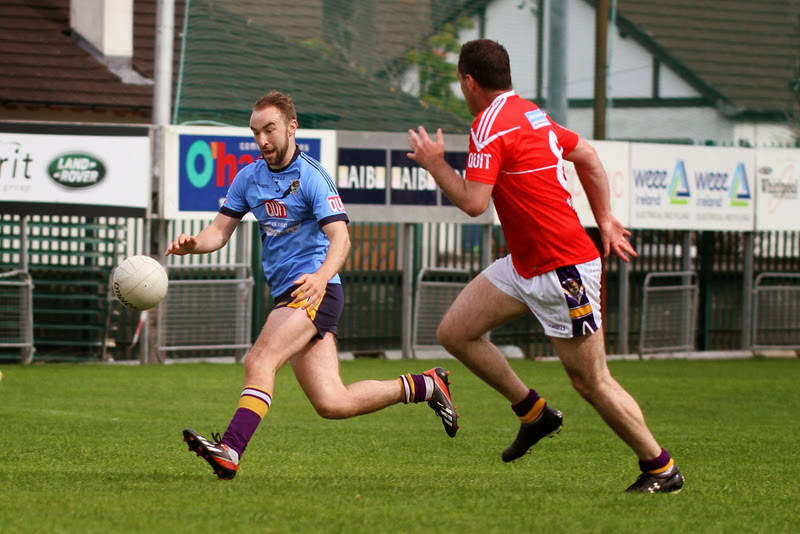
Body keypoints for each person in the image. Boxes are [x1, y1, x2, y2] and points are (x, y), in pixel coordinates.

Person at [406, 40, 683, 494]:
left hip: (562, 269)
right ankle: (533, 414)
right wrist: (606, 218)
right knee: (455, 332)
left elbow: (475, 204)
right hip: (525, 264)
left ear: (468, 81)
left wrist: (436, 165)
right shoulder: (531, 112)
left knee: (592, 382)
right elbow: (589, 157)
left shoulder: (489, 125)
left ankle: (660, 468)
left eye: (460, 82)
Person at [168, 91, 458, 480]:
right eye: (255, 133)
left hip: (314, 290)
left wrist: (321, 278)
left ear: (291, 127)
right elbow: (218, 232)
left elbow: (341, 238)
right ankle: (425, 385)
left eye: (269, 130)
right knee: (332, 401)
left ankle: (231, 449)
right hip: (289, 294)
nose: (263, 141)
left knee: (260, 360)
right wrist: (193, 245)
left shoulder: (312, 176)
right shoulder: (248, 177)